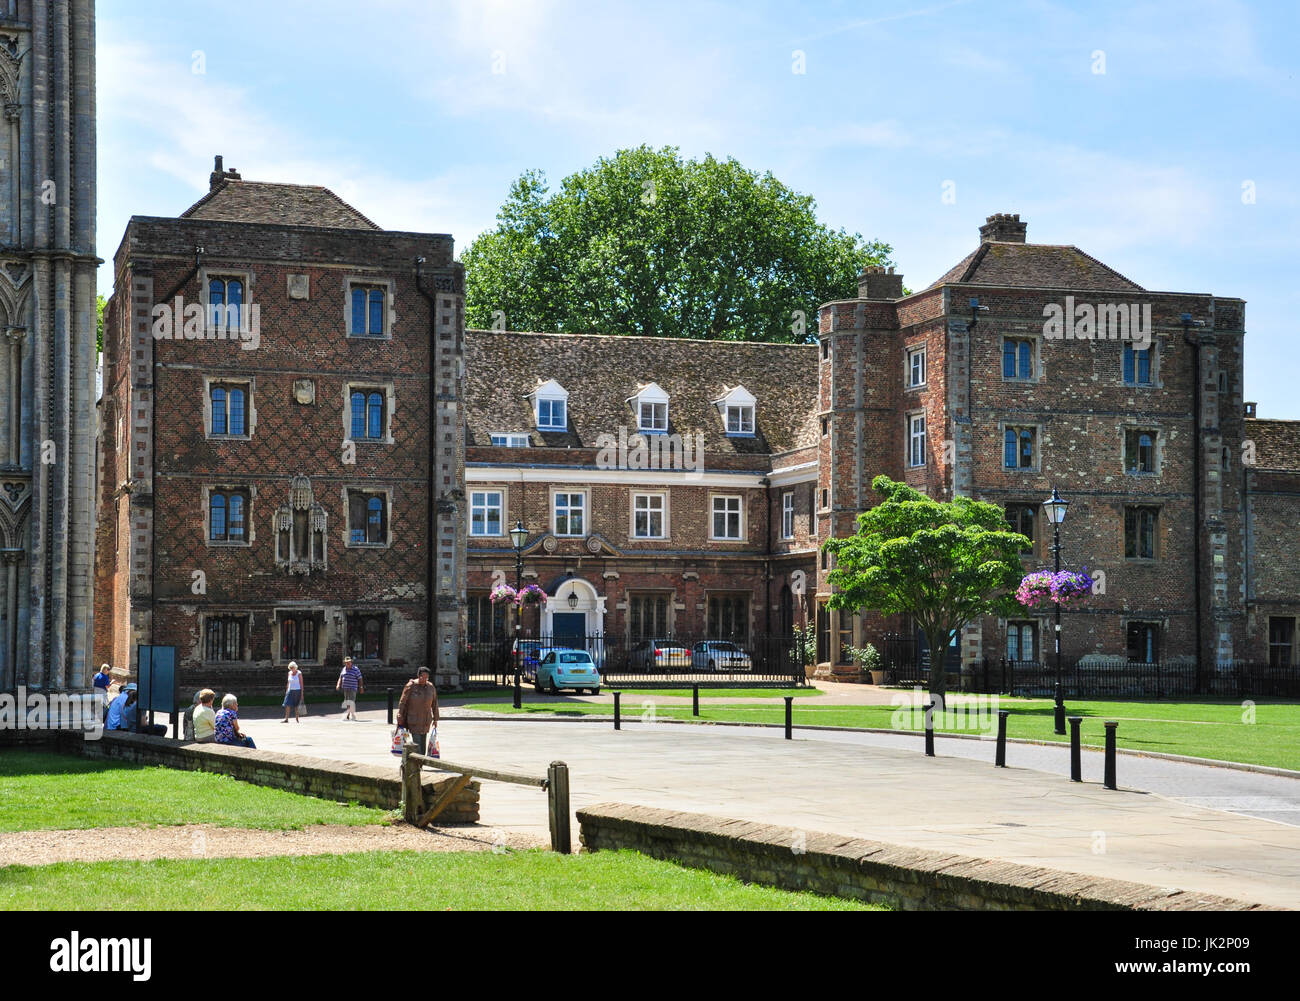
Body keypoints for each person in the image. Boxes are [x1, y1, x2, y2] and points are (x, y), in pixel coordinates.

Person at [397, 666, 439, 755]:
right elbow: (402, 702)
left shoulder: (430, 687)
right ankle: (416, 763)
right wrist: (400, 714)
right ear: (418, 675)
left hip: (426, 720)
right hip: (413, 719)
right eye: (422, 677)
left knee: (423, 743)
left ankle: (420, 763)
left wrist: (436, 719)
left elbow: (435, 703)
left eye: (426, 677)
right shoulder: (411, 686)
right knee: (417, 743)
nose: (424, 679)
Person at [336, 656, 363, 720]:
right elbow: (340, 677)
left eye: (348, 662)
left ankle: (350, 714)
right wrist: (338, 685)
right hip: (345, 688)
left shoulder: (356, 669)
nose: (347, 663)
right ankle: (349, 713)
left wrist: (361, 687)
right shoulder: (344, 669)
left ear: (351, 662)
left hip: (353, 688)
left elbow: (360, 679)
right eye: (346, 662)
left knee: (351, 701)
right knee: (347, 701)